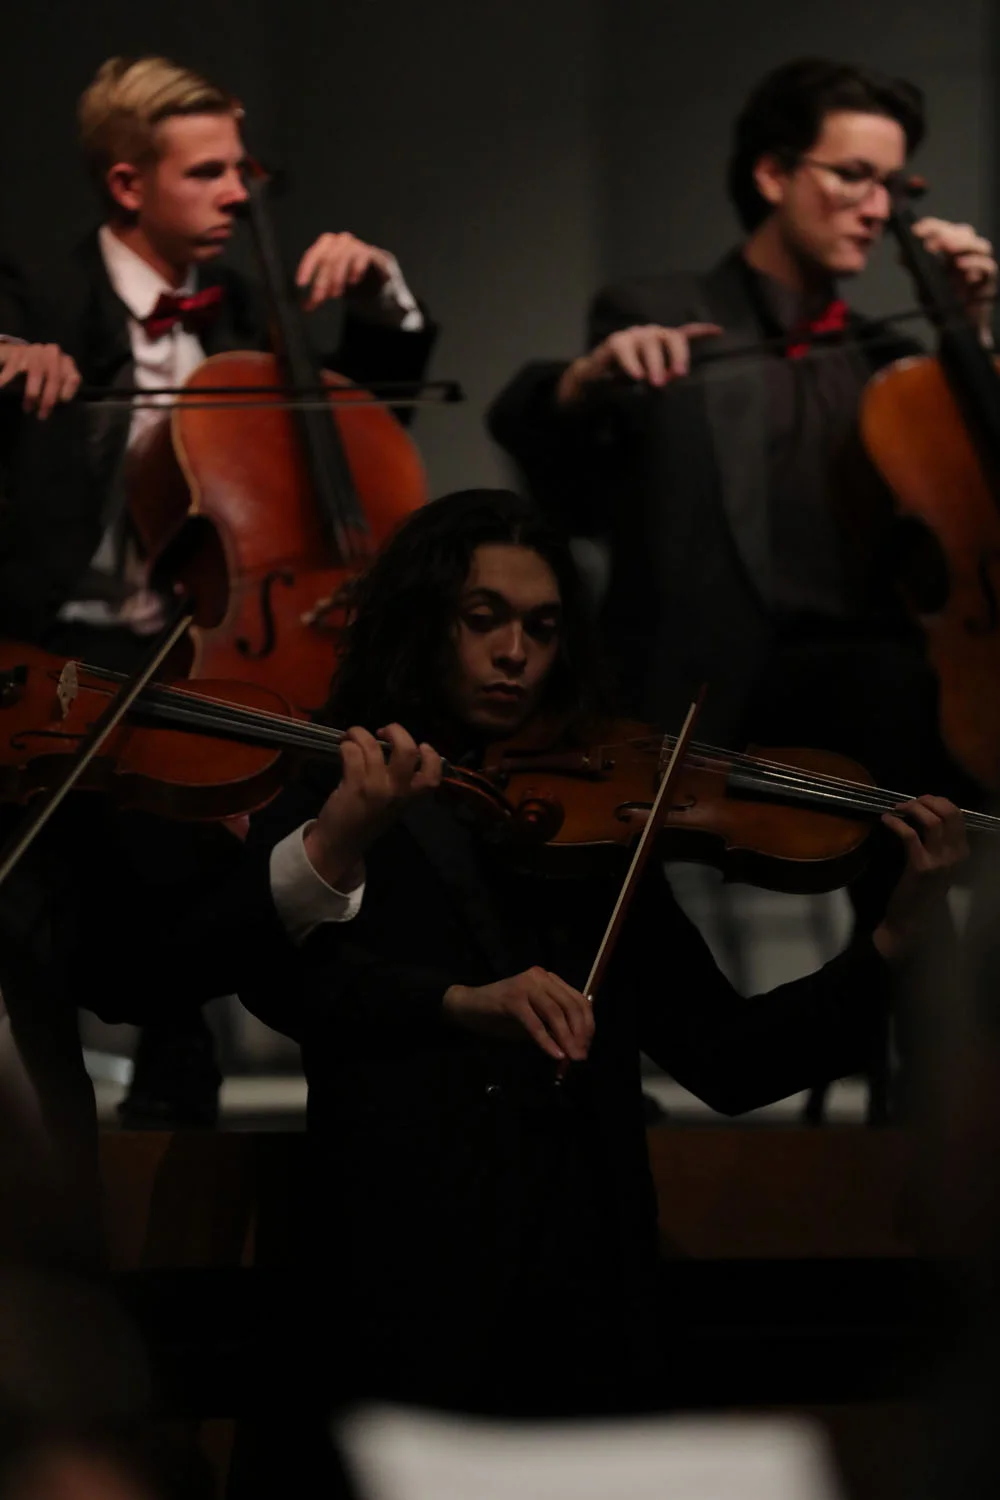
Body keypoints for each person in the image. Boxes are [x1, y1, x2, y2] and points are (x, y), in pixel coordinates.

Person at [180, 489, 967, 1433]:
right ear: (426, 621)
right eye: (486, 621)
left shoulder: (598, 811)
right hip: (404, 1280)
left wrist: (892, 942)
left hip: (588, 1290)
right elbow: (275, 977)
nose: (516, 653)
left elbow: (729, 1057)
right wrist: (455, 996)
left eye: (543, 629)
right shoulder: (337, 778)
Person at [0, 53, 437, 1130]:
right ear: (126, 185)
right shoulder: (36, 293)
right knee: (41, 911)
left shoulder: (250, 307)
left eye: (243, 168)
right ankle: (54, 1171)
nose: (241, 193)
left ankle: (201, 1069)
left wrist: (385, 301)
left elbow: (365, 443)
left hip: (203, 652)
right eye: (208, 173)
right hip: (56, 654)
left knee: (247, 849)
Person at [486, 57, 994, 807]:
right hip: (705, 685)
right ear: (771, 175)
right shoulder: (655, 312)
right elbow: (568, 494)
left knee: (911, 710)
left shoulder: (896, 363)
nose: (880, 209)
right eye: (854, 175)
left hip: (868, 685)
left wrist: (968, 334)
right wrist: (582, 384)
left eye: (892, 185)